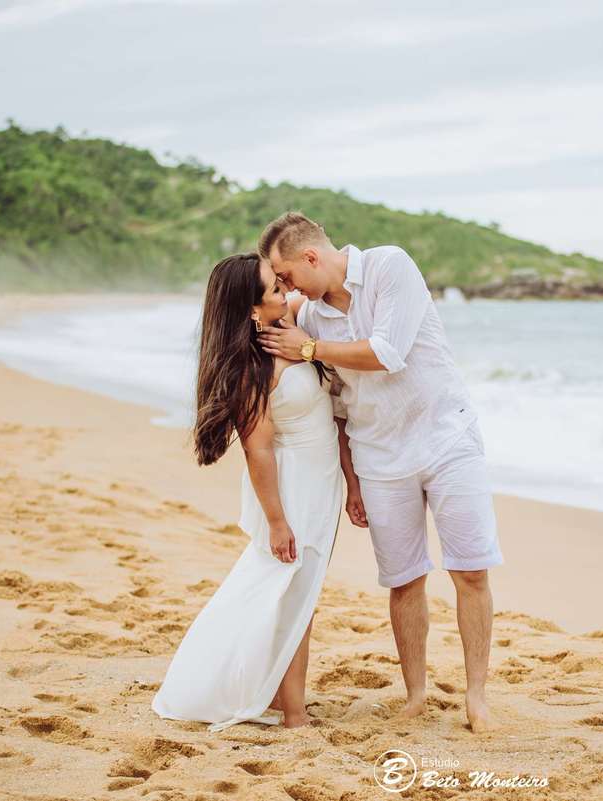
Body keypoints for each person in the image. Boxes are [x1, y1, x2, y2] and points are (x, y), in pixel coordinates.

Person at [257, 212, 504, 733]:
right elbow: (338, 409)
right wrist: (351, 479)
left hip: (446, 439)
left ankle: (477, 697)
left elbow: (387, 353)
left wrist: (307, 347)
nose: (285, 286)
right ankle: (415, 694)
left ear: (311, 257)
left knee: (471, 569)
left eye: (286, 275)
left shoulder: (390, 266)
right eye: (278, 282)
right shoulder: (310, 315)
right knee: (404, 578)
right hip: (378, 457)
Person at [151, 252, 355, 731]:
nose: (288, 293)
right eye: (275, 290)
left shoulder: (289, 343)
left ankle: (290, 704)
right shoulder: (253, 369)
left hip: (320, 482)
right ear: (251, 309)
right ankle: (291, 711)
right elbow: (258, 452)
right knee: (283, 593)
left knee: (294, 595)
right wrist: (278, 521)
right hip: (292, 490)